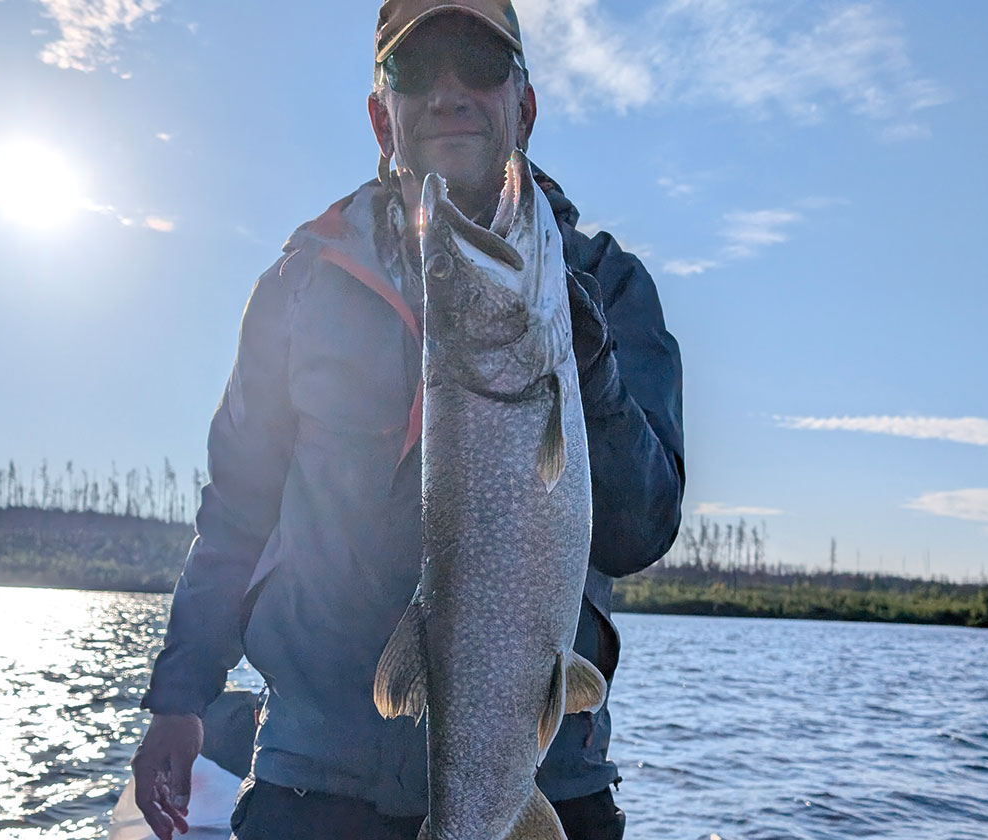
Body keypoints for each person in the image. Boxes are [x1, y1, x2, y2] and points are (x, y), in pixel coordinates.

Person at [131, 2, 684, 838]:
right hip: (314, 783)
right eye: (415, 71)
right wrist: (178, 699)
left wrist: (593, 373)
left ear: (524, 104)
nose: (448, 93)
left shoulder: (607, 287)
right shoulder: (299, 286)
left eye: (478, 63)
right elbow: (236, 515)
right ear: (379, 114)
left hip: (548, 779)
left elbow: (641, 529)